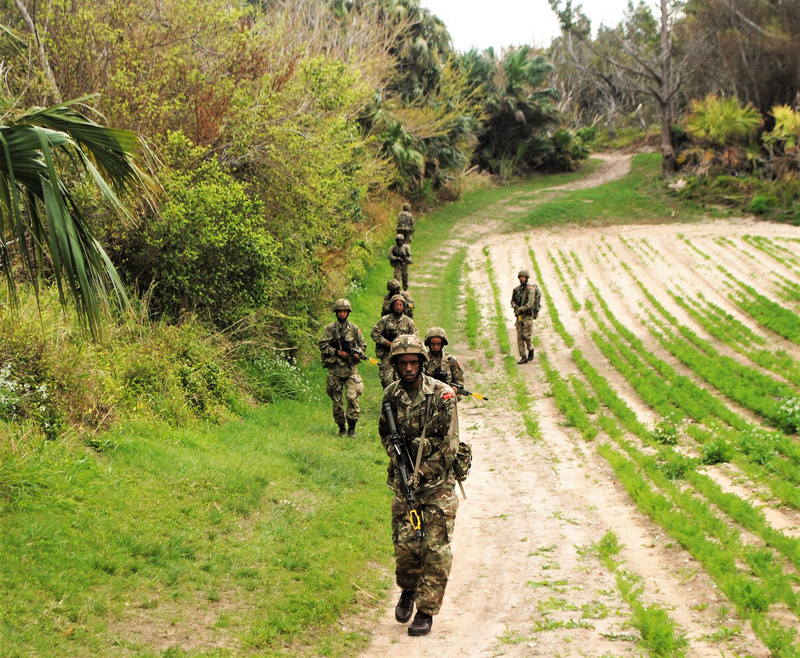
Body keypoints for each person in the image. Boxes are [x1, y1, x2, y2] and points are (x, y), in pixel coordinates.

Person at [379, 334, 460, 637]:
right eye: (403, 363)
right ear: (396, 365)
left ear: (422, 363)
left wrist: (421, 472)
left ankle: (426, 611)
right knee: (406, 548)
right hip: (404, 484)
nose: (409, 368)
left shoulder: (442, 395)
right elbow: (385, 433)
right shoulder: (390, 395)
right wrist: (397, 456)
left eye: (413, 362)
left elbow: (450, 447)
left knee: (435, 550)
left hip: (438, 485)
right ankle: (409, 590)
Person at [318, 298, 367, 437]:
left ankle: (352, 428)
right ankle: (341, 427)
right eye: (340, 311)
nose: (342, 314)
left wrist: (358, 353)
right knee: (337, 401)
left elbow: (363, 345)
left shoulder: (354, 329)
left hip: (351, 369)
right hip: (335, 369)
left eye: (345, 311)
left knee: (352, 398)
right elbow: (322, 344)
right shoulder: (330, 329)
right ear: (336, 313)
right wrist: (337, 352)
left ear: (348, 312)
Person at [372, 295, 418, 389]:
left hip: (403, 355)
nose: (398, 307)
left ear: (404, 306)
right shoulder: (385, 320)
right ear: (391, 306)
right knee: (387, 380)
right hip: (387, 355)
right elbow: (374, 333)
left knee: (403, 379)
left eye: (400, 305)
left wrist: (404, 344)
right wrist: (387, 343)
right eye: (396, 305)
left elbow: (415, 336)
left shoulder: (408, 321)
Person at [510, 268, 541, 364]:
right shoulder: (516, 290)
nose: (522, 279)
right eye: (520, 277)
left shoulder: (530, 290)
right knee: (519, 337)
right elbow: (512, 301)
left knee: (526, 336)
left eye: (523, 277)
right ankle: (523, 356)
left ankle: (530, 348)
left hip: (527, 315)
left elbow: (530, 304)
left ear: (526, 278)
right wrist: (515, 307)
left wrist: (520, 309)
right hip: (519, 316)